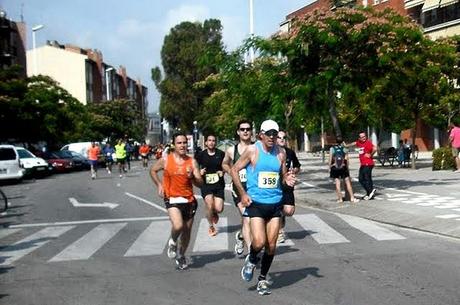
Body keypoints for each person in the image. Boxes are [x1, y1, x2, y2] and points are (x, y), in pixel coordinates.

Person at [231, 119, 296, 295]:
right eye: (269, 134)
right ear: (261, 134)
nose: (272, 137)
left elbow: (282, 177)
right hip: (257, 204)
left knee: (272, 246)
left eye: (275, 134)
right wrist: (243, 194)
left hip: (275, 204)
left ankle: (262, 279)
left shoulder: (281, 153)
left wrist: (287, 180)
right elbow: (234, 170)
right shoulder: (252, 150)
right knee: (259, 242)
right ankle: (251, 260)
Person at [150, 133, 203, 270]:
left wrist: (193, 178)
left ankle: (181, 255)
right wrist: (159, 185)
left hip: (189, 200)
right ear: (174, 144)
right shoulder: (166, 160)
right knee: (178, 225)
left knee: (186, 233)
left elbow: (200, 184)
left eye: (184, 142)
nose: (183, 145)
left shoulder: (192, 162)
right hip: (172, 198)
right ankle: (172, 241)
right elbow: (153, 170)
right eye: (179, 143)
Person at [222, 119, 253, 257]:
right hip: (238, 188)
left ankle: (241, 236)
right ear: (238, 132)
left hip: (254, 188)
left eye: (248, 129)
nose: (245, 131)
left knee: (251, 219)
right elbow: (224, 164)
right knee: (247, 217)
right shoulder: (231, 150)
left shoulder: (256, 147)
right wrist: (232, 172)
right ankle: (252, 252)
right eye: (242, 129)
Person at [195, 134, 226, 237]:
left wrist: (223, 172)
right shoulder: (200, 155)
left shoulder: (221, 154)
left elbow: (226, 165)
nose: (211, 142)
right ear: (206, 142)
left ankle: (214, 212)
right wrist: (199, 172)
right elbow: (194, 167)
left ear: (215, 142)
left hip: (219, 184)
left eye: (213, 140)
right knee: (209, 204)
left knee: (219, 208)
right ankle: (211, 226)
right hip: (206, 184)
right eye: (209, 140)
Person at [276, 130, 301, 243]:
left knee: (289, 211)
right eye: (279, 137)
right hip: (275, 186)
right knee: (277, 208)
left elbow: (297, 166)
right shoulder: (272, 153)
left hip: (288, 186)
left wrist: (294, 171)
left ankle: (281, 215)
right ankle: (279, 231)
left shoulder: (290, 152)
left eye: (284, 137)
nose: (282, 139)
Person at [329, 136, 359, 203]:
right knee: (348, 183)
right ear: (342, 142)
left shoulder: (332, 148)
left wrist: (329, 167)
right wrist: (347, 168)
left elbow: (330, 159)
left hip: (335, 167)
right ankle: (352, 198)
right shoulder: (344, 149)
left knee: (337, 183)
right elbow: (347, 159)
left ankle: (340, 199)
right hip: (343, 167)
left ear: (335, 141)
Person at [347, 132, 377, 200]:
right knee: (364, 179)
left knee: (364, 178)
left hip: (368, 163)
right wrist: (346, 146)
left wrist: (370, 155)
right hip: (363, 164)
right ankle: (369, 193)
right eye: (362, 137)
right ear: (359, 138)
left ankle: (370, 191)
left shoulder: (368, 143)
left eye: (364, 136)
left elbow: (375, 148)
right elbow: (354, 143)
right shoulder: (359, 142)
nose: (364, 138)